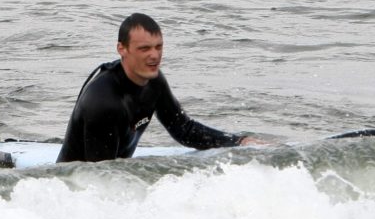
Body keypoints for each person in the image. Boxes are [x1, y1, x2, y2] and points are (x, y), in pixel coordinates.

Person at [56, 13, 259, 163]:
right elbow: (98, 176)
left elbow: (184, 129)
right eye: (144, 49)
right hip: (73, 193)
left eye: (158, 47)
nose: (154, 56)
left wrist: (239, 142)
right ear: (122, 49)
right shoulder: (103, 102)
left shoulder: (153, 81)